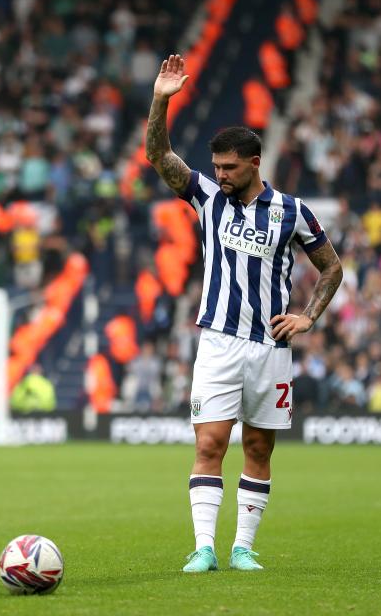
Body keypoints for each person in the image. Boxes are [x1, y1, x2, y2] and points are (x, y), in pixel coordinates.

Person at [145, 54, 343, 573]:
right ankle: (204, 547)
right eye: (216, 167)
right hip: (218, 341)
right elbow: (159, 155)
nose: (220, 175)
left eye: (230, 167)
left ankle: (243, 547)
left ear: (255, 163)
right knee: (210, 442)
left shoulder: (292, 211)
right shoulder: (207, 197)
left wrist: (309, 317)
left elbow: (331, 269)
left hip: (271, 347)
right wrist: (162, 99)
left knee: (258, 446)